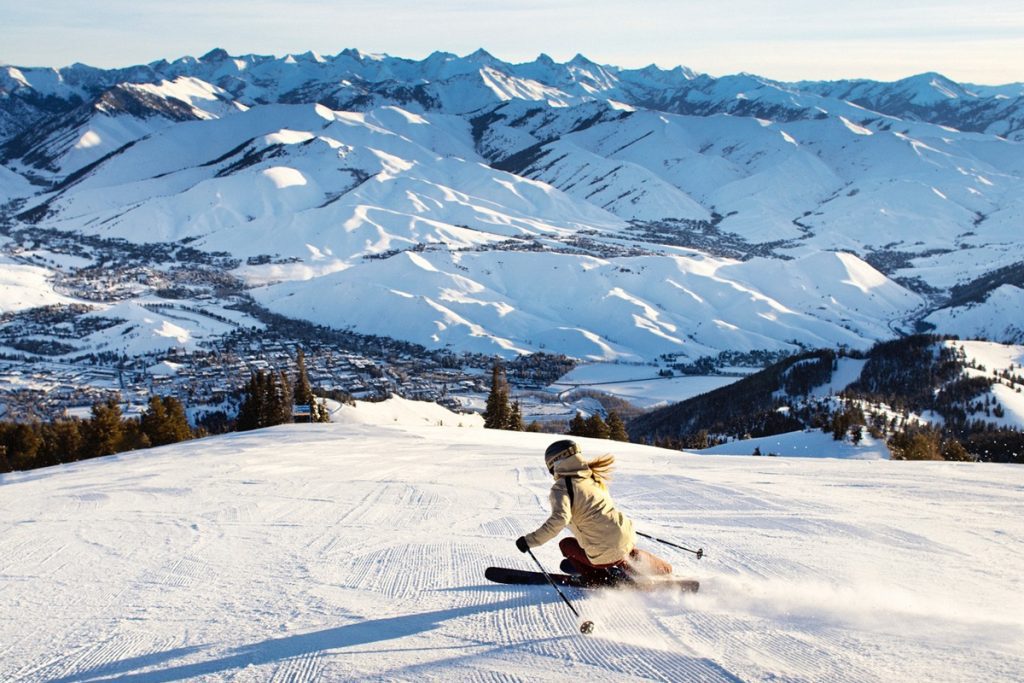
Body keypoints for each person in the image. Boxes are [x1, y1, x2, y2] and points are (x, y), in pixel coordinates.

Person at [515, 439, 672, 585]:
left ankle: (599, 579)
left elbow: (559, 520)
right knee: (624, 551)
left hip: (603, 552)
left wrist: (529, 541)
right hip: (625, 536)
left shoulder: (562, 487)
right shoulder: (592, 478)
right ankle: (663, 569)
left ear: (554, 463)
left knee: (567, 545)